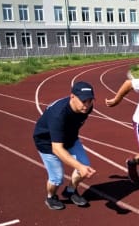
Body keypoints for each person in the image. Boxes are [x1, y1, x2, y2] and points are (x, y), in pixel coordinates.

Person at [33, 81, 97, 210]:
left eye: (90, 100)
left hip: (70, 138)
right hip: (47, 142)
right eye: (83, 101)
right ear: (72, 96)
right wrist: (79, 166)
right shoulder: (58, 115)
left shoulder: (88, 108)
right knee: (57, 177)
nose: (87, 105)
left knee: (84, 164)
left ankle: (70, 191)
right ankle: (51, 197)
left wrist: (81, 166)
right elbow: (57, 148)